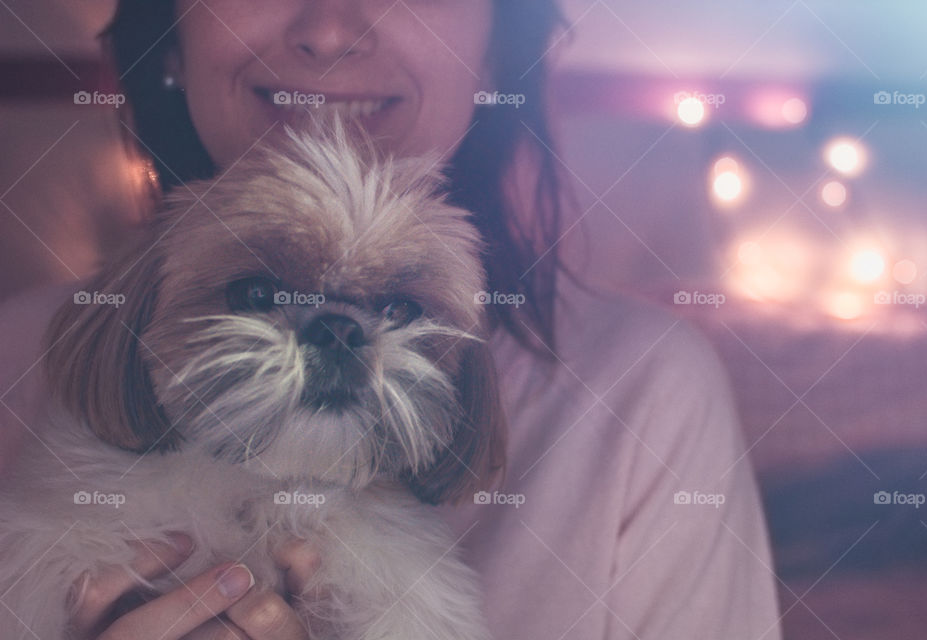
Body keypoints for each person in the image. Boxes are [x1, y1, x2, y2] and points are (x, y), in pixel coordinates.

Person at [0, 0, 783, 638]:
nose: (331, 29)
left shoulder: (647, 393)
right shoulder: (15, 356)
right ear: (167, 29)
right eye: (255, 295)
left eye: (401, 310)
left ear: (497, 52)